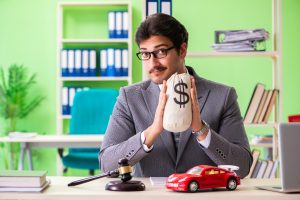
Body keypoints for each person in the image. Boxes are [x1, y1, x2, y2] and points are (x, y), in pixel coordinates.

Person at [99, 13, 252, 178]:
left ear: (182, 50)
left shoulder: (222, 96)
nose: (153, 63)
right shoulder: (129, 98)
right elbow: (107, 164)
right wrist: (151, 133)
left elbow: (242, 167)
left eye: (161, 51)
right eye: (145, 54)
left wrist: (202, 131)